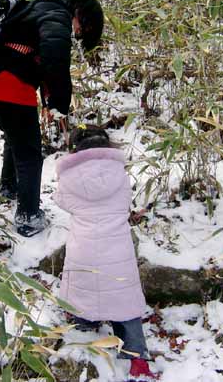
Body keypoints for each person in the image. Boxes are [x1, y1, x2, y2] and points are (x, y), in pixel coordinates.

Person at [0, 0, 104, 237]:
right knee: (30, 154)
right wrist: (61, 104)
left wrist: (47, 100)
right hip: (7, 87)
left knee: (16, 137)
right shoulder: (57, 14)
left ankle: (9, 189)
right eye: (82, 29)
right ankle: (28, 218)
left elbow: (35, 60)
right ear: (79, 13)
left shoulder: (37, 10)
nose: (77, 34)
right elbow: (55, 60)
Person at [53, 125, 155, 382]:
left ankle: (84, 327)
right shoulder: (120, 174)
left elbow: (61, 201)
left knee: (82, 290)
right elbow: (125, 203)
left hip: (83, 247)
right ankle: (137, 359)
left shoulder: (68, 178)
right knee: (125, 300)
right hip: (117, 246)